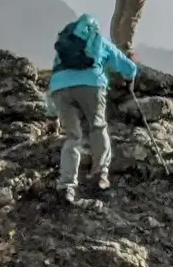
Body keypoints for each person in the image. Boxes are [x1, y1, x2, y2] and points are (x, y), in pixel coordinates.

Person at [47, 13, 138, 204]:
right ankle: (100, 174)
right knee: (97, 127)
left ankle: (67, 186)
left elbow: (55, 75)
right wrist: (130, 76)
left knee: (73, 137)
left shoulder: (64, 46)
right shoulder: (98, 41)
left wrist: (52, 114)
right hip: (92, 85)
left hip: (60, 89)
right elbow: (127, 66)